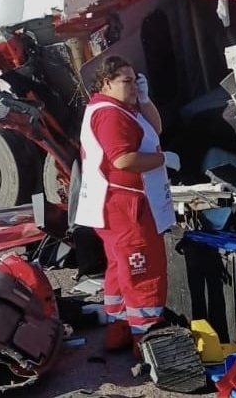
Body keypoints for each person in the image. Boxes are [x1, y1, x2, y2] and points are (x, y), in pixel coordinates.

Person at [74, 55, 181, 357]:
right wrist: (163, 159)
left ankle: (119, 329)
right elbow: (122, 159)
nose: (133, 86)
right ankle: (146, 341)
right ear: (107, 83)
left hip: (117, 206)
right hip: (127, 208)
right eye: (127, 81)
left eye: (136, 80)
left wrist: (144, 99)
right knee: (143, 271)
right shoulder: (110, 115)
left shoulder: (118, 109)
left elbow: (155, 128)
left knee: (120, 270)